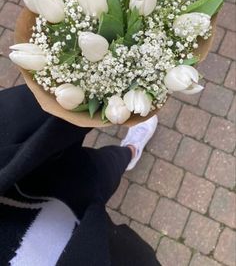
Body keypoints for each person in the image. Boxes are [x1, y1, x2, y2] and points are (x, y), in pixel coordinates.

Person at [0, 84, 161, 266]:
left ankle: (128, 153)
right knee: (99, 181)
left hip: (22, 179)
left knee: (103, 166)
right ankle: (132, 150)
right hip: (82, 247)